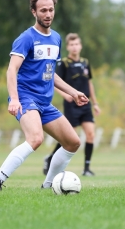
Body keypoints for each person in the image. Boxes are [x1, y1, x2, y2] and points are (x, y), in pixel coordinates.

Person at [0, 0, 89, 191]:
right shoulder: (26, 38)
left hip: (44, 102)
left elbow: (50, 73)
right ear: (34, 12)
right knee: (35, 138)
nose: (48, 14)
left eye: (50, 10)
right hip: (25, 98)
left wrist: (73, 92)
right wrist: (14, 99)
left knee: (73, 142)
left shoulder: (56, 38)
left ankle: (48, 185)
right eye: (43, 10)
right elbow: (11, 70)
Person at [43, 33, 101, 177]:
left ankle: (86, 169)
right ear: (68, 47)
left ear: (80, 46)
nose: (74, 47)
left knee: (91, 134)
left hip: (85, 104)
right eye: (72, 45)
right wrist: (66, 95)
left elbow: (89, 83)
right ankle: (50, 159)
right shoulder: (63, 63)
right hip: (71, 105)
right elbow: (53, 81)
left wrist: (95, 103)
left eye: (77, 44)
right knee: (69, 136)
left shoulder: (85, 62)